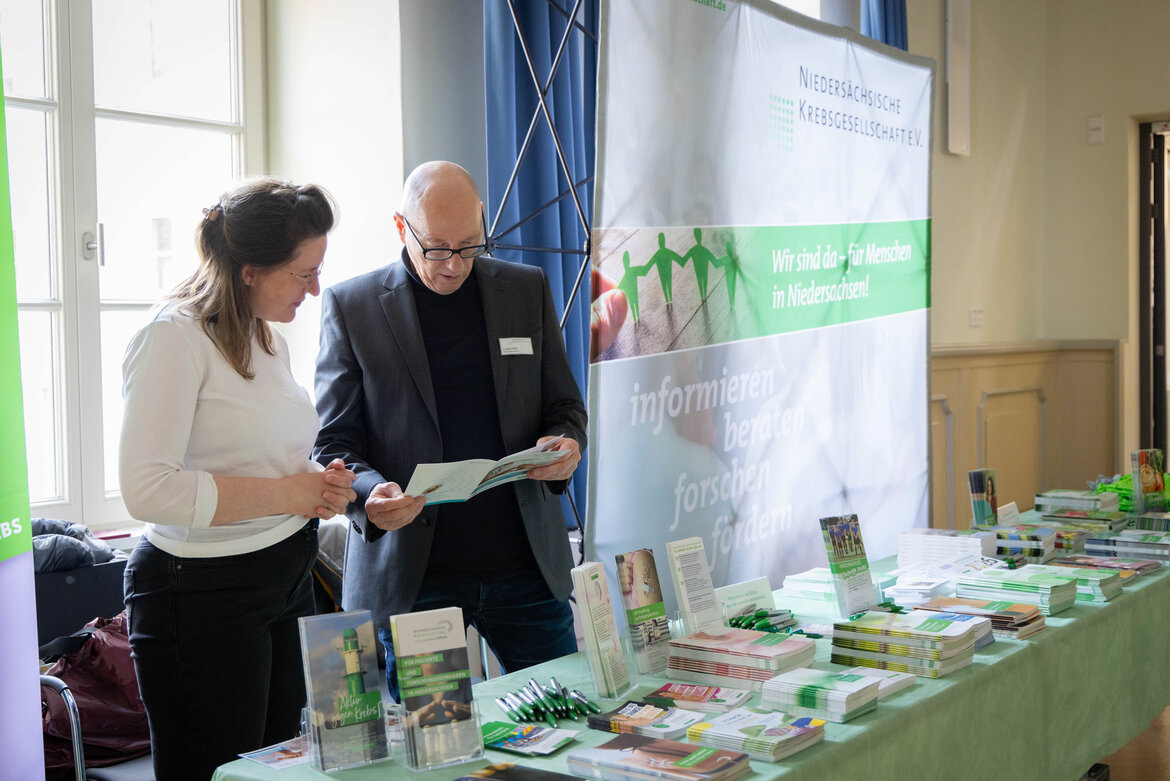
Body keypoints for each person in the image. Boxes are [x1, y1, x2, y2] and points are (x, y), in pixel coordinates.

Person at [313, 161, 586, 698]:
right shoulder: (353, 306)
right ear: (401, 228)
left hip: (526, 569)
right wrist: (370, 494)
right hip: (416, 580)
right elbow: (333, 443)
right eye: (437, 248)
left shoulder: (524, 289)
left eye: (469, 244)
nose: (455, 264)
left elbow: (564, 405)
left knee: (568, 722)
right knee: (436, 735)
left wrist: (565, 443)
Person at [119, 178, 357, 781]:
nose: (315, 289)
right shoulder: (172, 336)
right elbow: (148, 489)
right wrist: (288, 492)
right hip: (201, 595)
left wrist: (317, 481)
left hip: (285, 575)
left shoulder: (265, 336)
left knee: (278, 772)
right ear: (250, 270)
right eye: (304, 274)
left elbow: (256, 456)